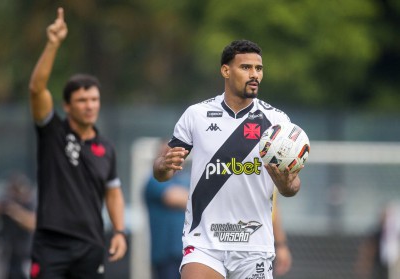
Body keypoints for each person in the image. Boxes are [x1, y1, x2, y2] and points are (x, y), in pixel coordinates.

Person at [153, 39, 302, 279]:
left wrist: (286, 184)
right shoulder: (196, 115)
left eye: (259, 68)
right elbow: (162, 172)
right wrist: (162, 165)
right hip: (204, 243)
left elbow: (292, 186)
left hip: (254, 246)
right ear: (225, 70)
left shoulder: (277, 122)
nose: (254, 75)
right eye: (246, 67)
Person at [27, 7, 127, 279]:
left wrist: (118, 230)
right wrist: (53, 43)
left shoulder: (106, 148)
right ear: (67, 106)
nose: (89, 106)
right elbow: (36, 89)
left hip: (91, 245)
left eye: (94, 99)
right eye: (82, 100)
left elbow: (113, 192)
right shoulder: (52, 131)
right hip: (51, 244)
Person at [145, 141, 191, 279]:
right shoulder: (153, 182)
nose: (170, 157)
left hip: (188, 252)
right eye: (165, 154)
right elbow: (174, 197)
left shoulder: (187, 179)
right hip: (166, 255)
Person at [0, 173, 36, 279]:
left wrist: (15, 211)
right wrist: (2, 206)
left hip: (23, 253)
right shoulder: (5, 200)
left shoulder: (29, 203)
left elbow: (32, 223)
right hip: (4, 251)